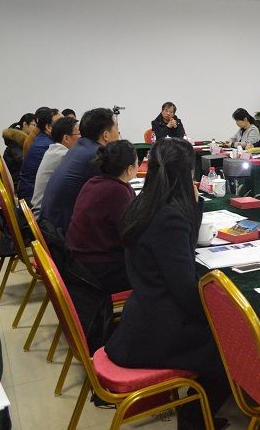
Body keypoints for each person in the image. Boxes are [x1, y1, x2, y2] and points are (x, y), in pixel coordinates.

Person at [105, 137, 230, 423]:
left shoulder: (143, 203)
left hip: (143, 315)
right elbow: (185, 290)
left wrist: (193, 206)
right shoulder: (169, 218)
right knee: (230, 345)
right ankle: (194, 418)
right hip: (158, 330)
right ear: (187, 174)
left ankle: (196, 410)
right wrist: (215, 319)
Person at [66, 140, 137, 295]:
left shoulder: (93, 182)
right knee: (157, 271)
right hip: (99, 271)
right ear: (130, 169)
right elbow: (131, 236)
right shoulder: (117, 192)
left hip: (79, 263)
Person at [41, 108, 120, 232]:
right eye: (116, 128)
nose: (119, 133)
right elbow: (117, 192)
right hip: (62, 234)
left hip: (52, 225)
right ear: (106, 135)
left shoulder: (80, 147)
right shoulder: (96, 155)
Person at [32, 117, 81, 217]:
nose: (82, 139)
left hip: (44, 210)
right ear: (66, 138)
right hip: (44, 216)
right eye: (79, 134)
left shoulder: (55, 150)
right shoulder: (63, 155)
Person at [18, 107, 61, 203]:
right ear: (48, 127)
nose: (65, 126)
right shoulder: (47, 146)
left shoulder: (42, 139)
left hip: (29, 193)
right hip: (33, 199)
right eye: (60, 123)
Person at [1, 113, 35, 187]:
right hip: (17, 181)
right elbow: (22, 159)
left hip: (20, 177)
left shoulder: (25, 140)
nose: (36, 129)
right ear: (25, 124)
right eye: (34, 125)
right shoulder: (14, 140)